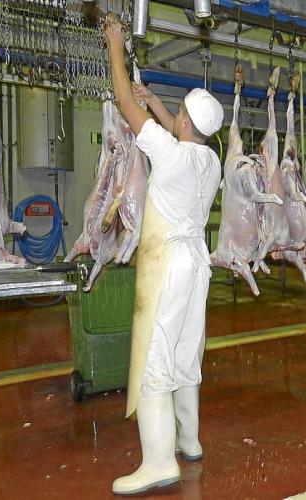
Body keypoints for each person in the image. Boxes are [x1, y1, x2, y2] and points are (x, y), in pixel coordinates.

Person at [104, 17, 223, 495]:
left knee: (155, 356)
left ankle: (158, 462)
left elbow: (122, 101)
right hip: (197, 264)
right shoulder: (210, 161)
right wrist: (154, 101)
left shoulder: (170, 155)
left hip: (169, 265)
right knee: (186, 351)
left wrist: (115, 46)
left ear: (186, 123)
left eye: (179, 114)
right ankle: (188, 439)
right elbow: (175, 130)